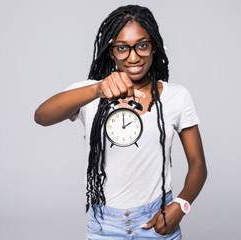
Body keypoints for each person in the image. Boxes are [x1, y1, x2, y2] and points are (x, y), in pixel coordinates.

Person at [35, 5, 207, 240]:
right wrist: (97, 89)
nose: (133, 57)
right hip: (105, 226)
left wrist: (181, 205)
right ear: (110, 52)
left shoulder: (177, 96)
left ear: (154, 47)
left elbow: (198, 164)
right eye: (122, 48)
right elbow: (42, 116)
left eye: (142, 46)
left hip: (157, 220)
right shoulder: (91, 93)